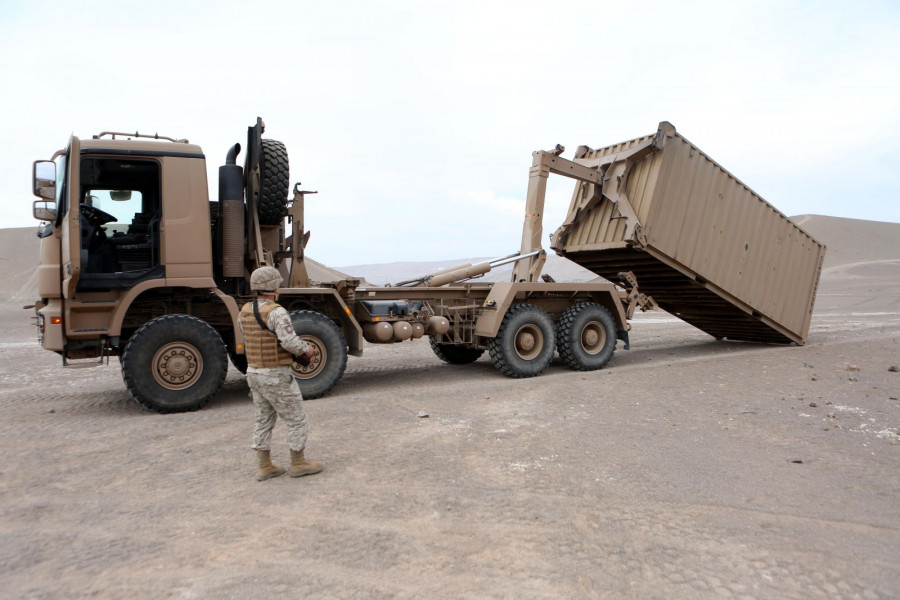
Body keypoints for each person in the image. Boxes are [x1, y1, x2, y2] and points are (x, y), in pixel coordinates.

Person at [240, 266, 323, 481]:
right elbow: (289, 342)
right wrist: (308, 349)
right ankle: (298, 463)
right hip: (276, 374)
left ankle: (264, 466)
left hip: (254, 373)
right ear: (273, 287)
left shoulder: (245, 310)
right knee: (296, 419)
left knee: (263, 419)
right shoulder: (277, 312)